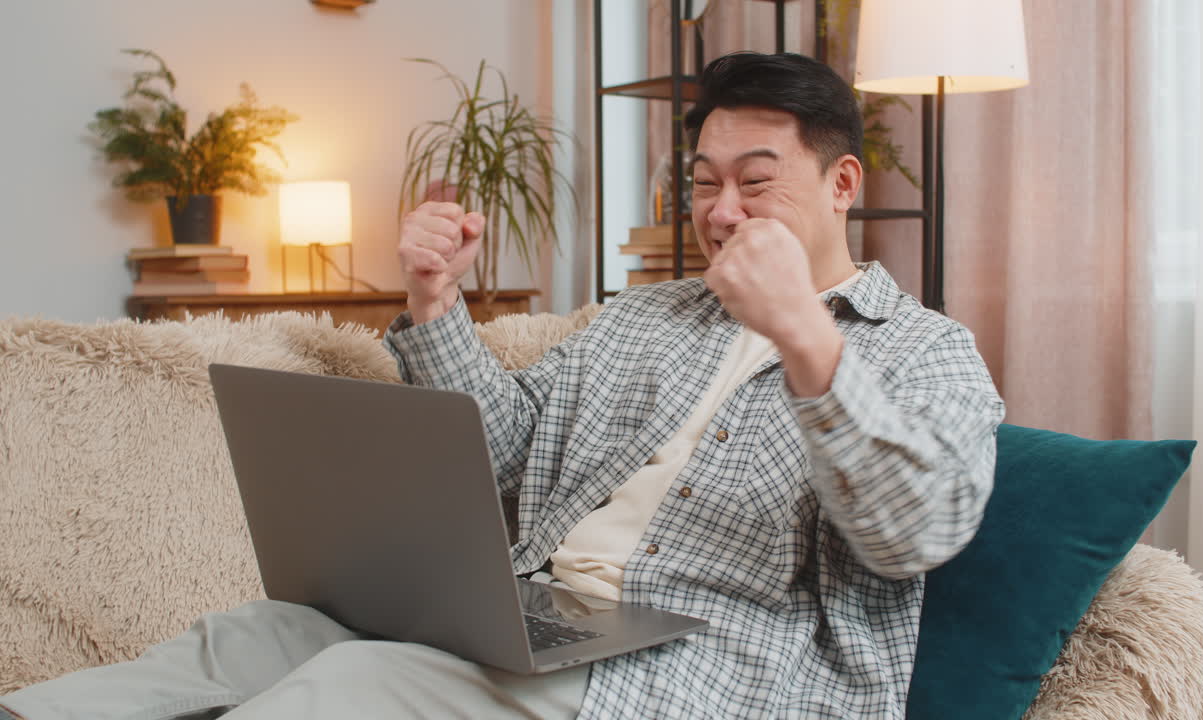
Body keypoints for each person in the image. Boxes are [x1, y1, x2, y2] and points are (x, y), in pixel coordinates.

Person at [0, 51, 1003, 720]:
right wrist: (435, 302)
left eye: (754, 179)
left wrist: (799, 335)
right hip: (537, 615)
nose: (721, 211)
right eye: (702, 181)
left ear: (840, 186)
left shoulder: (924, 352)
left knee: (351, 686)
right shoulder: (646, 316)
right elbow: (509, 450)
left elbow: (913, 530)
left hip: (701, 665)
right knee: (262, 633)